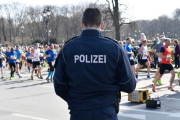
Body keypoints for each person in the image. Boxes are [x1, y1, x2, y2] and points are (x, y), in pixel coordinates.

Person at [53, 8, 136, 120]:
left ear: (82, 24)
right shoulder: (114, 48)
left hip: (79, 111)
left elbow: (59, 85)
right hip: (106, 111)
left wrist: (76, 100)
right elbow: (129, 84)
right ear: (102, 24)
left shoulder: (68, 48)